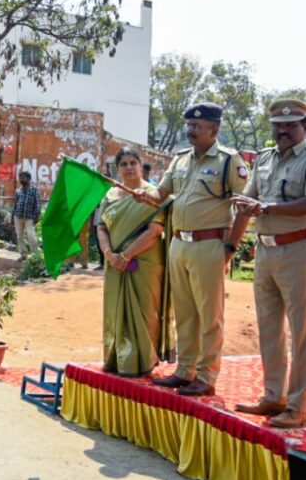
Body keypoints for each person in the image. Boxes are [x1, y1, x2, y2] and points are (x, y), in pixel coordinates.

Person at [133, 103, 250, 397]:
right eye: (188, 126)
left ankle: (207, 377)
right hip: (179, 244)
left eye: (197, 126)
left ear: (214, 129)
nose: (190, 131)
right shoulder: (181, 160)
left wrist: (230, 249)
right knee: (184, 313)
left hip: (210, 244)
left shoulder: (228, 162)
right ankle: (185, 371)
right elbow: (161, 194)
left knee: (210, 315)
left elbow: (245, 208)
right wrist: (143, 194)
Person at [231, 100, 306, 428]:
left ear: (305, 126)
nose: (283, 131)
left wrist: (266, 207)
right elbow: (250, 199)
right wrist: (238, 225)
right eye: (278, 125)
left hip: (298, 249)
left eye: (290, 125)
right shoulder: (263, 158)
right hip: (265, 251)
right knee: (269, 328)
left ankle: (297, 406)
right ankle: (273, 396)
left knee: (302, 331)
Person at [95, 148, 167, 376]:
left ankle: (143, 361)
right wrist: (109, 255)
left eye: (132, 163)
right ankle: (116, 359)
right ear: (118, 169)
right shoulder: (110, 196)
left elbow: (155, 231)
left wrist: (126, 256)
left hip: (143, 263)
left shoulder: (152, 194)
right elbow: (101, 227)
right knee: (115, 311)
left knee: (145, 311)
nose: (128, 168)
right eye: (123, 164)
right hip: (114, 264)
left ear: (140, 165)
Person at [12, 171, 41, 261]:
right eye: (20, 177)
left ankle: (36, 255)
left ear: (29, 178)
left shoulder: (34, 189)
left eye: (23, 177)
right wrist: (12, 216)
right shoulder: (18, 190)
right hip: (18, 216)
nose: (21, 179)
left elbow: (38, 203)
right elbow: (15, 204)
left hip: (29, 217)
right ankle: (23, 254)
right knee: (19, 236)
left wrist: (37, 215)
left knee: (31, 235)